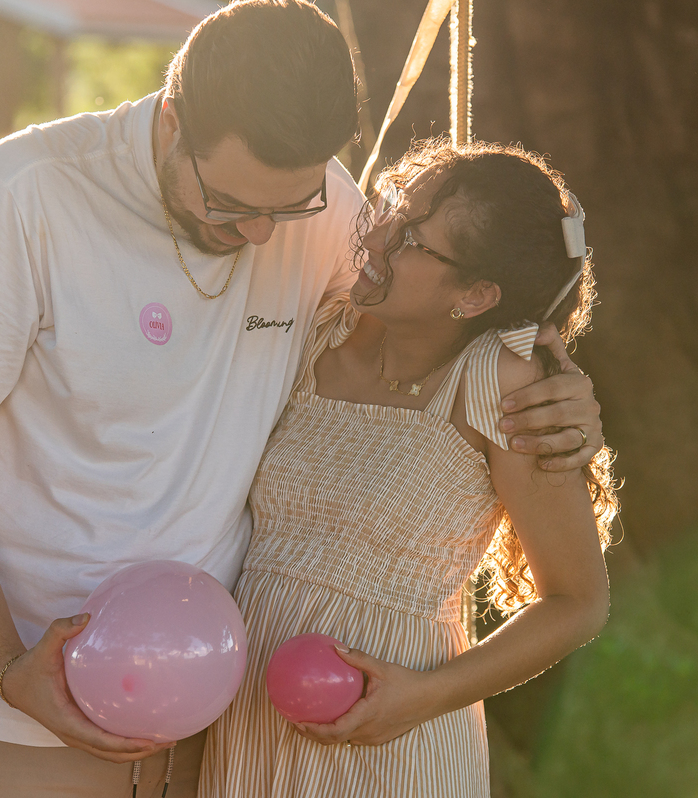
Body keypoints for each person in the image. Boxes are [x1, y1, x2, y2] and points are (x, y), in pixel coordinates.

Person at [0, 2, 605, 796]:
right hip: (8, 714)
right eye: (230, 206)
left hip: (215, 728)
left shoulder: (323, 211)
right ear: (174, 122)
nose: (259, 235)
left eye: (287, 208)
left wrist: (566, 400)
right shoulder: (10, 204)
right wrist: (8, 668)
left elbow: (448, 323)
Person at [199, 138, 616, 797]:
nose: (375, 237)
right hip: (249, 722)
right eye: (391, 207)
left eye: (411, 240)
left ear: (475, 294)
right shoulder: (321, 330)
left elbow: (579, 603)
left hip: (391, 736)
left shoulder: (502, 382)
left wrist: (424, 697)